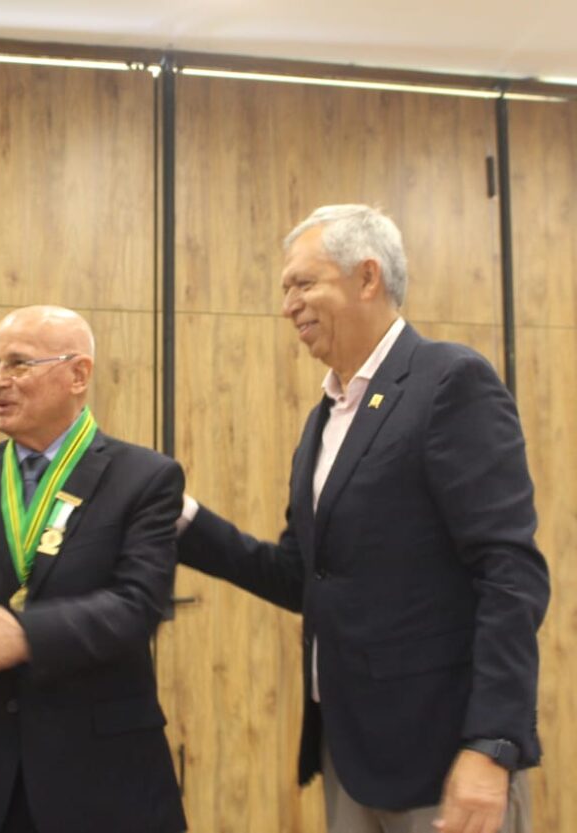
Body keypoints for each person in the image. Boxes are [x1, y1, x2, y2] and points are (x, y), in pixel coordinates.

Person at [177, 205, 549, 833]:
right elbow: (305, 576)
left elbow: (510, 575)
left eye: (303, 284)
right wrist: (185, 520)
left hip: (443, 753)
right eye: (285, 289)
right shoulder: (324, 418)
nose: (288, 304)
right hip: (349, 750)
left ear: (367, 278)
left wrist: (493, 744)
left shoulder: (449, 382)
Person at [0, 306, 186, 833]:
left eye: (17, 364)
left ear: (78, 374)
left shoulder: (146, 478)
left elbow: (138, 606)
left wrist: (21, 635)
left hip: (103, 776)